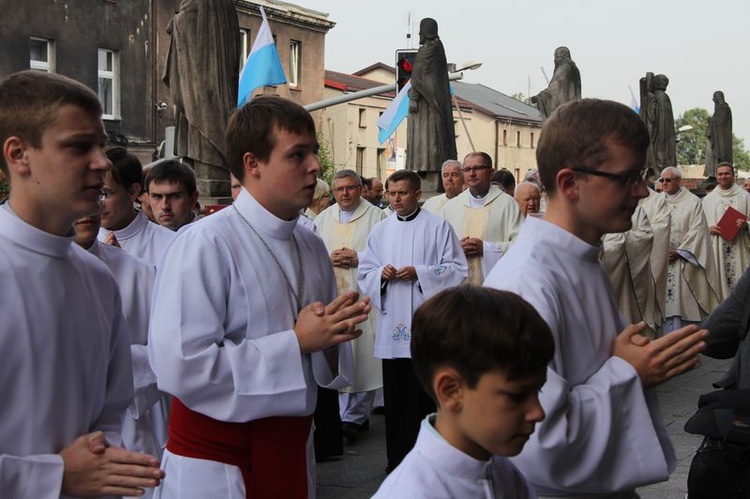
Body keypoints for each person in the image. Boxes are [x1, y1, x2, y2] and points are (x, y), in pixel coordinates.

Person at [485, 98, 709, 497]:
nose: (642, 192)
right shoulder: (525, 283)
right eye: (628, 178)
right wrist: (628, 372)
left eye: (643, 175)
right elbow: (535, 441)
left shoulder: (582, 255)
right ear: (571, 183)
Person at [149, 95, 369, 499]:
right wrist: (297, 342)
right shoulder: (204, 243)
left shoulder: (310, 242)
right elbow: (179, 366)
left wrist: (335, 334)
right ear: (253, 164)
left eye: (313, 152)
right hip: (218, 463)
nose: (315, 166)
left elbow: (320, 368)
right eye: (297, 155)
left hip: (292, 449)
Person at [0, 70, 164, 497]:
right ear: (19, 154)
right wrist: (51, 476)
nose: (102, 163)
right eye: (78, 147)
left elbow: (112, 412)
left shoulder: (97, 277)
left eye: (101, 145)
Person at [373, 286, 554, 498]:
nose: (538, 412)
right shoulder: (410, 492)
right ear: (451, 391)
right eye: (517, 396)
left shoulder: (504, 471)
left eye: (538, 391)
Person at [358, 170, 468, 472]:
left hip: (426, 326)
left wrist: (420, 273)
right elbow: (365, 272)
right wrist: (381, 274)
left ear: (418, 195)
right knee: (396, 399)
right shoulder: (380, 231)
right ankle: (397, 462)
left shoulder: (438, 226)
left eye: (402, 193)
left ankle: (428, 463)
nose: (395, 199)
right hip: (393, 323)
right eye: (391, 193)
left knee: (424, 399)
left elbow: (458, 269)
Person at [75, 212, 163, 468]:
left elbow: (169, 354)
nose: (89, 209)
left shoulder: (140, 273)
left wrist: (109, 362)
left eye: (98, 194)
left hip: (131, 429)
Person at [315, 170, 387, 441]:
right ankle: (345, 415)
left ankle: (356, 417)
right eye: (339, 189)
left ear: (360, 188)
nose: (344, 194)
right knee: (339, 357)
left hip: (363, 299)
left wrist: (360, 257)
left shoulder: (378, 218)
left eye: (350, 188)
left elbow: (386, 253)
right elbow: (314, 252)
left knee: (363, 358)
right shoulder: (322, 219)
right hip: (333, 297)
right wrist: (328, 257)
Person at [163, 0, 238, 173]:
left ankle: (207, 164)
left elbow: (187, 21)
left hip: (202, 78)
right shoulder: (227, 7)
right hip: (219, 82)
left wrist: (175, 23)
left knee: (199, 115)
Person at [442, 151, 522, 285]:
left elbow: (521, 246)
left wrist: (486, 248)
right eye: (467, 169)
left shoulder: (508, 204)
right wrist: (456, 248)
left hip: (495, 287)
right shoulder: (451, 206)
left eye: (477, 168)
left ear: (491, 172)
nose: (472, 173)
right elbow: (438, 248)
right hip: (458, 288)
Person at [659, 167, 722, 333]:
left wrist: (680, 251)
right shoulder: (656, 202)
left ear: (679, 181)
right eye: (662, 180)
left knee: (682, 304)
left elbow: (699, 230)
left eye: (668, 180)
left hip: (684, 261)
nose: (664, 183)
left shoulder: (692, 201)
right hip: (661, 262)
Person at [99, 147, 175, 268]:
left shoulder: (169, 244)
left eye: (105, 194)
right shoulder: (77, 241)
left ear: (133, 192)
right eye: (92, 193)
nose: (98, 203)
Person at [405, 18, 457, 172]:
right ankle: (429, 169)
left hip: (427, 105)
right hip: (434, 102)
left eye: (421, 30)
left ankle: (426, 169)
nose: (419, 33)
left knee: (427, 140)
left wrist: (413, 97)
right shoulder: (438, 49)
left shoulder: (428, 50)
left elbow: (418, 77)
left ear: (425, 31)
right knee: (432, 139)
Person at [702, 162, 750, 296]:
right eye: (720, 174)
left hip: (740, 247)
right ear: (717, 176)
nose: (723, 176)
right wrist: (709, 228)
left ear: (733, 176)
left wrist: (746, 226)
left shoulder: (746, 197)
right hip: (716, 248)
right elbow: (700, 226)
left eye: (727, 173)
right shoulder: (708, 199)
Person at [145, 159, 200, 231]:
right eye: (157, 197)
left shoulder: (211, 238)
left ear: (193, 199)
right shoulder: (144, 239)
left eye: (174, 196)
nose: (164, 206)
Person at [531, 46, 581, 121]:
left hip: (564, 114)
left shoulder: (564, 68)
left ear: (560, 56)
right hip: (573, 112)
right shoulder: (574, 68)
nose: (554, 60)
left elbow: (554, 90)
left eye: (556, 56)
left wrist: (539, 97)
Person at [642, 73, 676, 174]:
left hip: (658, 133)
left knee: (658, 152)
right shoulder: (664, 97)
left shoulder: (654, 97)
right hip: (664, 134)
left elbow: (651, 117)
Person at [704, 91, 733, 179]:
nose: (713, 100)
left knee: (717, 156)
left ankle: (715, 174)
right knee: (710, 156)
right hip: (715, 136)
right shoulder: (719, 109)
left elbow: (720, 122)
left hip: (720, 139)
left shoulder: (724, 108)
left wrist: (712, 120)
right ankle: (712, 174)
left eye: (714, 98)